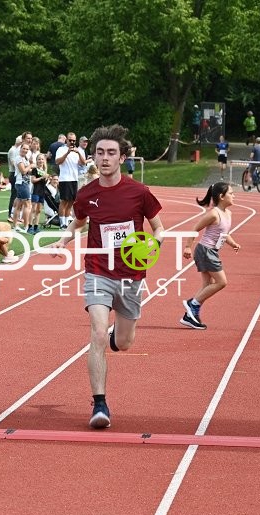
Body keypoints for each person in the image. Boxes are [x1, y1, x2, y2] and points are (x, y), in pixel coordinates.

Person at [53, 124, 165, 430]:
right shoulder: (87, 194)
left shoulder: (139, 192)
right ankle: (99, 403)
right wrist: (64, 239)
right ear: (93, 157)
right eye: (100, 152)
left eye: (111, 153)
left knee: (124, 342)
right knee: (98, 334)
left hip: (131, 275)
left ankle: (117, 338)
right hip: (98, 272)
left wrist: (154, 244)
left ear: (122, 157)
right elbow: (77, 223)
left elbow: (159, 228)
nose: (105, 158)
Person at [180, 182, 240, 330]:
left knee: (207, 285)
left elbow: (224, 233)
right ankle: (192, 304)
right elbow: (195, 228)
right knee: (221, 282)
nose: (234, 195)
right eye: (231, 193)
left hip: (211, 251)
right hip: (205, 251)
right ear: (221, 196)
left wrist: (232, 243)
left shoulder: (228, 213)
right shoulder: (213, 214)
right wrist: (188, 246)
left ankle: (189, 316)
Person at [54, 132, 86, 229]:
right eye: (70, 140)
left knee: (71, 201)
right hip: (65, 179)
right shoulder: (61, 149)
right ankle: (62, 223)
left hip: (74, 179)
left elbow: (83, 163)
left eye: (73, 140)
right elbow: (57, 161)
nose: (72, 142)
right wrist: (67, 152)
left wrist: (78, 153)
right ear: (66, 140)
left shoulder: (77, 151)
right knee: (64, 201)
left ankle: (66, 221)